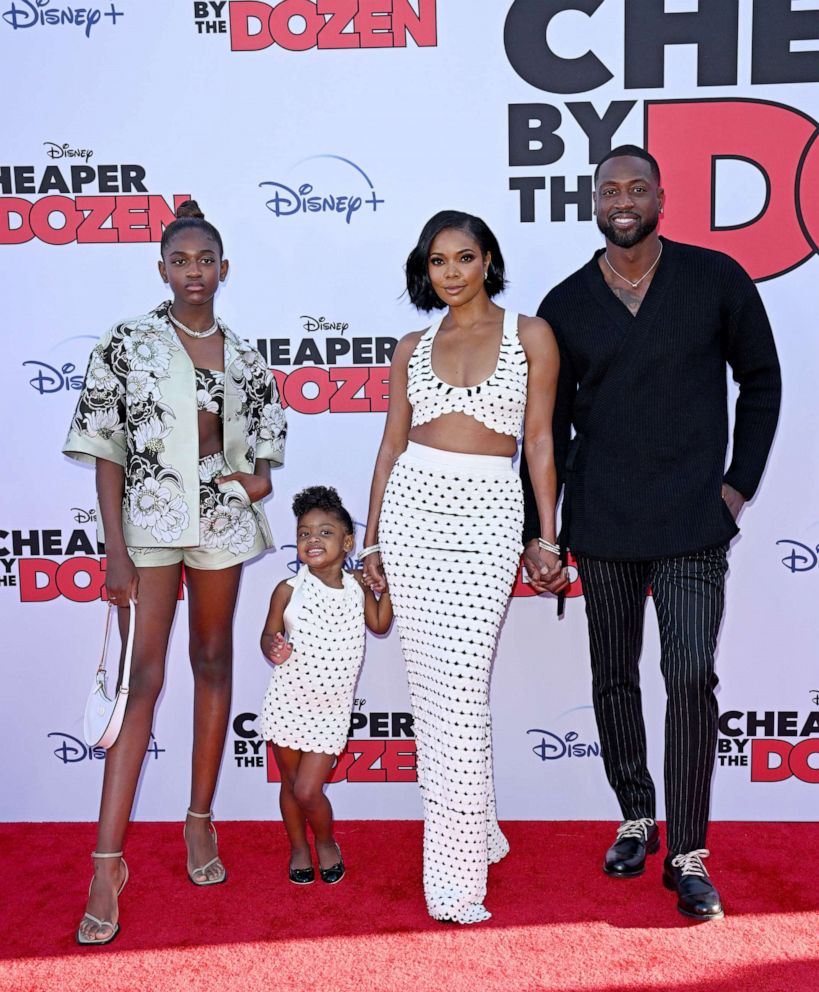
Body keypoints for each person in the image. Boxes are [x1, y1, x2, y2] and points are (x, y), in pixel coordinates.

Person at [522, 145, 781, 921]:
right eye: (610, 189)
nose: (623, 199)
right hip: (599, 524)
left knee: (689, 675)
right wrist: (543, 531)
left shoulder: (715, 278)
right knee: (612, 677)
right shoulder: (563, 304)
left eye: (637, 187)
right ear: (592, 202)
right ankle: (636, 814)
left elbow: (761, 378)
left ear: (661, 197)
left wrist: (736, 487)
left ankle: (689, 851)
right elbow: (544, 430)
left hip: (694, 524)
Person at [64, 201, 287, 945]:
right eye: (180, 261)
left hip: (219, 524)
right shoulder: (127, 343)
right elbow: (105, 448)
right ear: (162, 269)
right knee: (142, 681)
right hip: (149, 525)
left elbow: (264, 454)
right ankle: (106, 864)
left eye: (206, 261)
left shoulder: (248, 355)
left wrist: (246, 482)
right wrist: (114, 550)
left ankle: (199, 819)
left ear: (224, 269)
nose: (194, 273)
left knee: (214, 660)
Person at [362, 210, 567, 924]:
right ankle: (468, 843)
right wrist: (372, 541)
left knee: (462, 687)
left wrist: (547, 536)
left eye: (463, 258)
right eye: (437, 261)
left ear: (488, 261)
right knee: (434, 692)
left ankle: (457, 870)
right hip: (414, 508)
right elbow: (390, 447)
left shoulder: (530, 335)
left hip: (486, 514)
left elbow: (539, 441)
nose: (450, 273)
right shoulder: (411, 345)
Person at [260, 486, 392, 885]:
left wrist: (385, 588)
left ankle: (325, 840)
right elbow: (267, 636)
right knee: (290, 784)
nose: (313, 540)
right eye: (304, 533)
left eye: (325, 532)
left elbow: (380, 624)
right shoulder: (288, 590)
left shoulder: (358, 586)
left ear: (348, 541)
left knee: (307, 790)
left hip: (330, 711)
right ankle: (298, 847)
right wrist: (274, 647)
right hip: (287, 703)